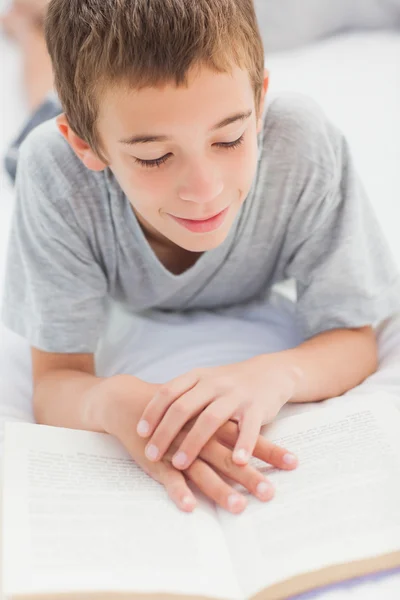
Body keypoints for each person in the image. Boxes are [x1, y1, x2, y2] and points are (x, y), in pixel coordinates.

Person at [1, 0, 400, 516]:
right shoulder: (58, 174)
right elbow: (56, 379)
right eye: (154, 156)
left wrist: (276, 374)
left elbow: (354, 338)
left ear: (259, 102)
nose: (205, 191)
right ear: (86, 144)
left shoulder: (301, 143)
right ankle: (31, 30)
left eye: (230, 138)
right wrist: (111, 401)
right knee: (37, 114)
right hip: (57, 150)